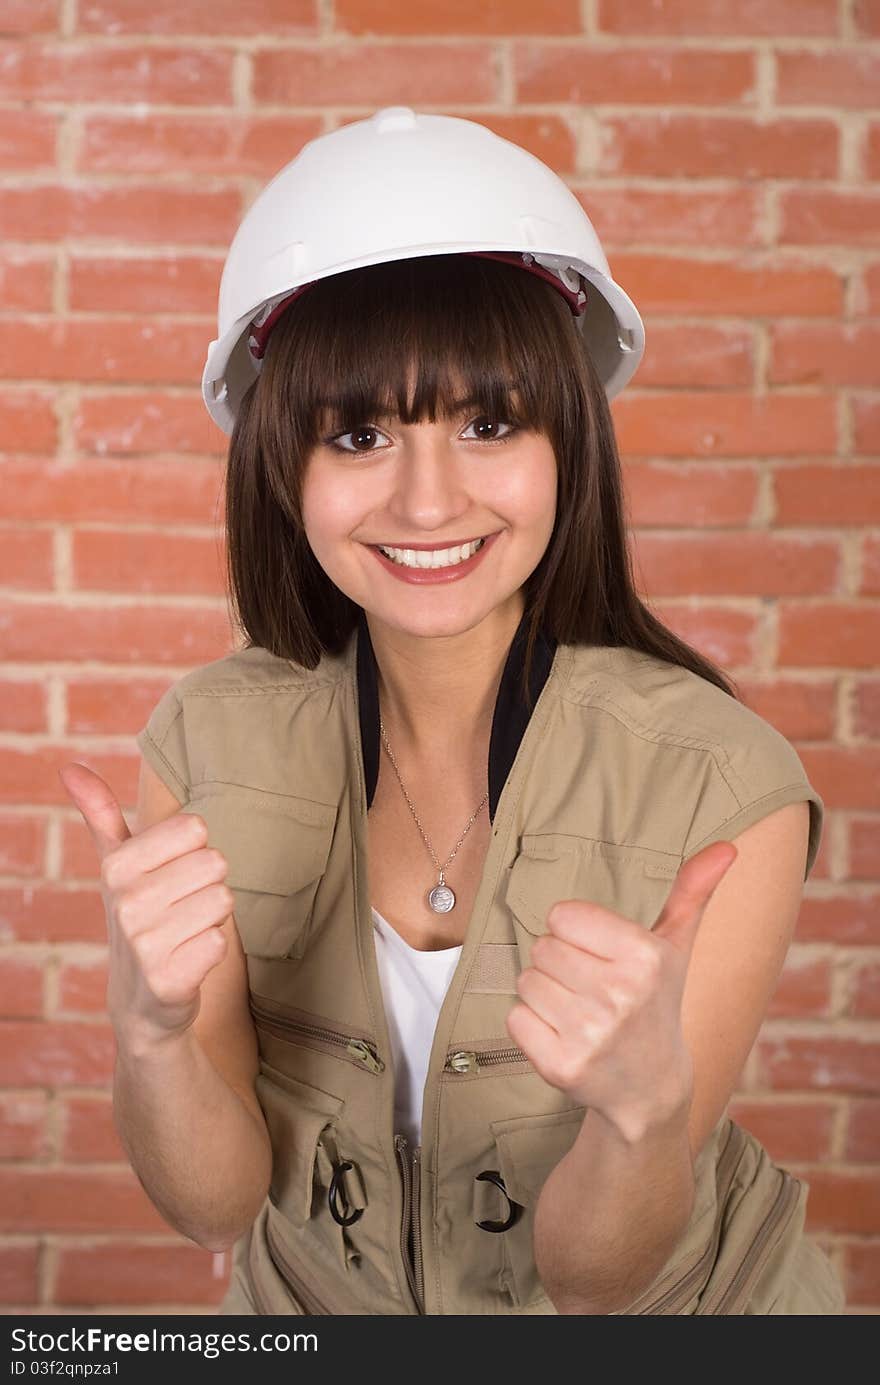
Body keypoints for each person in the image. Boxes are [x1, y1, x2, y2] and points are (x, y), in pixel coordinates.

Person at [60, 107, 846, 1315]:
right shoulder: (208, 742)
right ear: (285, 465)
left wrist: (641, 1113)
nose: (428, 500)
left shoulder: (719, 781)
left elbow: (597, 1278)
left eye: (488, 424)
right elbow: (215, 1207)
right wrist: (152, 1034)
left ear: (567, 445)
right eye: (361, 432)